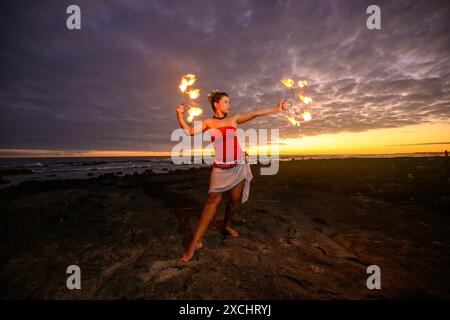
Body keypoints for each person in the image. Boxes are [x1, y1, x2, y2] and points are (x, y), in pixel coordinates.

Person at [175, 90, 287, 262]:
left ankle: (226, 225)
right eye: (226, 102)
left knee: (234, 200)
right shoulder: (208, 122)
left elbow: (256, 112)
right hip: (220, 168)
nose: (229, 105)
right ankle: (195, 242)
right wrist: (179, 115)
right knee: (212, 200)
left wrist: (277, 108)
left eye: (229, 102)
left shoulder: (233, 119)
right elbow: (189, 132)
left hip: (239, 164)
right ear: (216, 104)